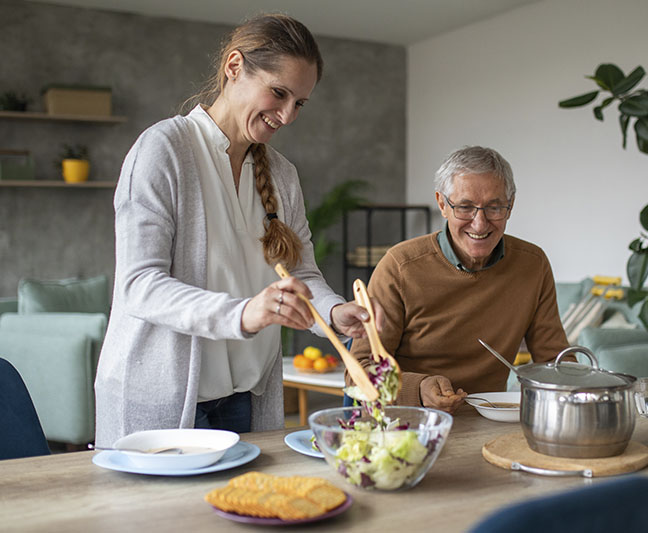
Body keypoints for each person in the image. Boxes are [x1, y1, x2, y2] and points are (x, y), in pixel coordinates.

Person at [94, 14, 381, 446]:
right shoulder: (163, 150)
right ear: (234, 67)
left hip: (245, 398)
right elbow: (140, 285)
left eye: (299, 103)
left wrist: (334, 315)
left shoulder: (281, 175)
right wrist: (243, 314)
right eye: (279, 93)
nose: (287, 115)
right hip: (165, 401)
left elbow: (300, 275)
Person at [349, 146, 568, 413]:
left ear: (510, 206)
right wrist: (418, 389)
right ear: (442, 204)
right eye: (465, 207)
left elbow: (556, 364)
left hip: (490, 423)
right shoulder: (400, 266)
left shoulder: (532, 264)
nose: (480, 223)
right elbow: (358, 373)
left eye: (494, 207)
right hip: (408, 424)